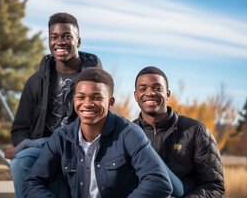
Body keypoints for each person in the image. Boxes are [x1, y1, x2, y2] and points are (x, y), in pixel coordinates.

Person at [23, 67, 173, 198]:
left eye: (97, 98)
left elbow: (159, 182)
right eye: (81, 97)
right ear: (74, 100)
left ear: (110, 102)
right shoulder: (61, 137)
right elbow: (33, 182)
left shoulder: (130, 133)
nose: (87, 104)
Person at [4, 13, 102, 197]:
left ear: (78, 41)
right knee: (19, 162)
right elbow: (20, 128)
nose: (60, 42)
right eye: (54, 37)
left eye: (67, 36)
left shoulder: (95, 80)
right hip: (42, 150)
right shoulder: (35, 81)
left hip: (79, 147)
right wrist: (22, 146)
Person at [133, 66, 225, 197]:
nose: (150, 93)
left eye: (157, 88)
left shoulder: (196, 130)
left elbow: (214, 186)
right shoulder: (127, 133)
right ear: (136, 96)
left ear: (168, 94)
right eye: (143, 89)